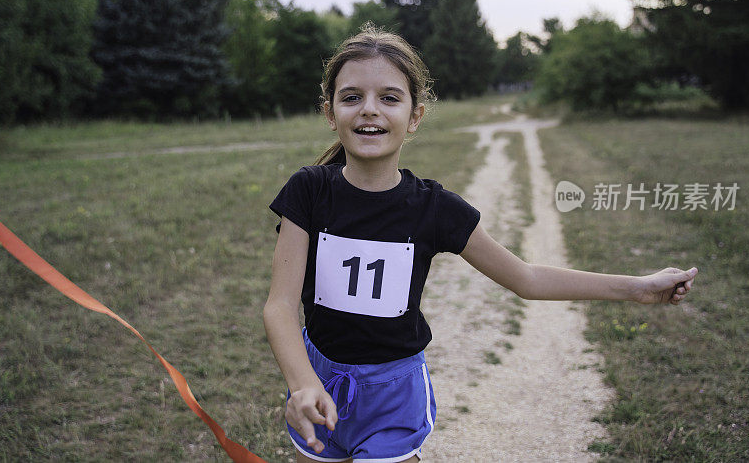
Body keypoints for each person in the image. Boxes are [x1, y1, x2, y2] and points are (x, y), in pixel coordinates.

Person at [262, 25, 697, 463]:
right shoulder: (308, 191)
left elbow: (526, 278)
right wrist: (303, 384)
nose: (369, 110)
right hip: (318, 379)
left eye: (390, 98)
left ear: (415, 116)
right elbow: (279, 306)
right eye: (352, 97)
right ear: (330, 112)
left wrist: (638, 287)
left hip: (393, 395)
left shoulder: (436, 208)